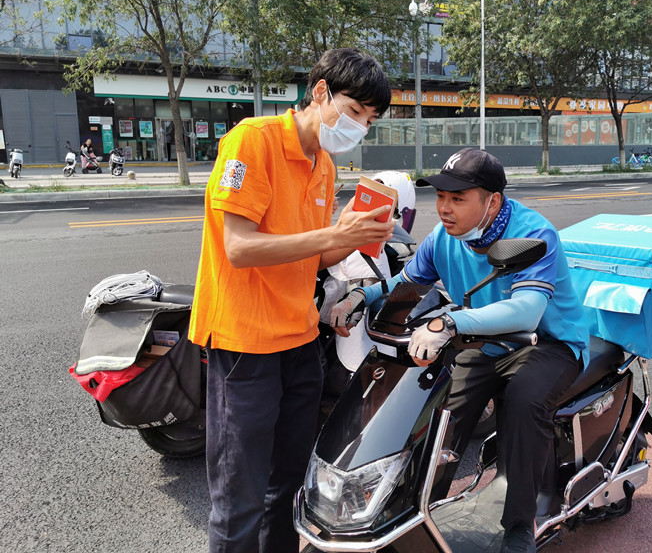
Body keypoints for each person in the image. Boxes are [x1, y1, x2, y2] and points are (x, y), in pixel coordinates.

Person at [187, 47, 395, 553]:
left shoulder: (322, 165)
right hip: (246, 343)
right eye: (355, 111)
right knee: (239, 495)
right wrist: (333, 236)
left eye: (369, 121)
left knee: (287, 488)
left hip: (300, 341)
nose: (359, 127)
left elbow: (310, 257)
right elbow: (239, 248)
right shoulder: (252, 141)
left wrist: (354, 239)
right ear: (321, 91)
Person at [331, 148, 590, 553]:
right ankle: (414, 511)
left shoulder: (534, 235)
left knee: (523, 402)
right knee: (437, 410)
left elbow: (528, 310)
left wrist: (449, 324)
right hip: (485, 341)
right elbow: (409, 283)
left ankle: (520, 525)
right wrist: (363, 297)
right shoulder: (443, 239)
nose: (444, 208)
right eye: (440, 197)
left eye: (457, 198)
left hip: (549, 342)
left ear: (492, 202)